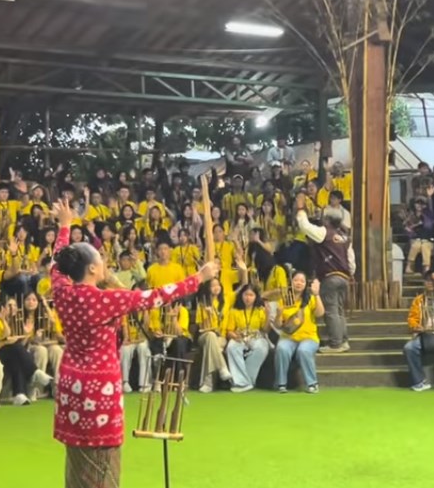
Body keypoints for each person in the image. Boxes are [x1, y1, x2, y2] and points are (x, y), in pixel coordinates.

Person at [49, 199, 214, 488]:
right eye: (100, 260)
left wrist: (64, 226)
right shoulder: (106, 300)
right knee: (103, 463)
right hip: (100, 387)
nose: (104, 263)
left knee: (78, 459)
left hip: (71, 383)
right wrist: (199, 277)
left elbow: (56, 263)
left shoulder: (62, 291)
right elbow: (157, 296)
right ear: (91, 269)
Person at [294, 193, 353, 353]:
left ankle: (336, 343)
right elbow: (351, 259)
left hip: (331, 276)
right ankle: (343, 340)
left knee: (331, 311)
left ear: (327, 220)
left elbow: (305, 226)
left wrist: (300, 208)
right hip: (344, 276)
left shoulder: (325, 232)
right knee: (339, 310)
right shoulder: (343, 236)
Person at [274, 270, 324, 394]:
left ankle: (312, 384)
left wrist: (317, 295)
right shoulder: (284, 299)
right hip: (288, 337)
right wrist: (279, 314)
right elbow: (278, 325)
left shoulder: (310, 298)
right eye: (296, 280)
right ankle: (281, 383)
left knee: (304, 350)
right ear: (291, 282)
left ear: (306, 284)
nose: (299, 283)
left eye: (302, 281)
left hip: (309, 337)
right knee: (282, 348)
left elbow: (320, 313)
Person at [223, 283, 270, 392]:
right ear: (241, 296)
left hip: (256, 337)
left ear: (256, 297)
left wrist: (268, 315)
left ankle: (246, 381)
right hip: (239, 336)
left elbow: (265, 330)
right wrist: (234, 336)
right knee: (231, 347)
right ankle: (241, 383)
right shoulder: (234, 311)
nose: (248, 298)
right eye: (246, 295)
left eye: (251, 295)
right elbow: (229, 331)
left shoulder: (260, 310)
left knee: (262, 347)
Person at [193, 277, 232, 393]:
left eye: (218, 285)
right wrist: (208, 315)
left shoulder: (226, 301)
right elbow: (202, 327)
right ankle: (222, 368)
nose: (216, 288)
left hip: (221, 337)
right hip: (204, 336)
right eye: (213, 285)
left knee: (210, 346)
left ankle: (207, 383)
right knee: (210, 335)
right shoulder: (202, 304)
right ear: (208, 288)